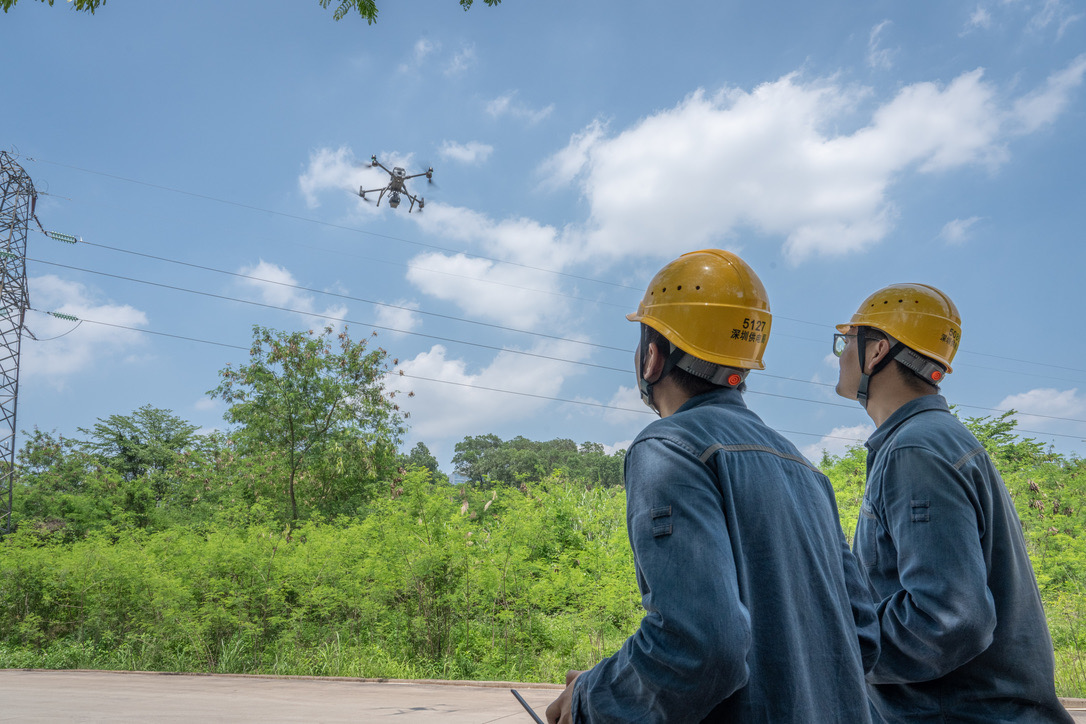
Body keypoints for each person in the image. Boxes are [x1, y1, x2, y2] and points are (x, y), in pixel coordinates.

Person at [547, 249, 879, 724]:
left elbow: (700, 645)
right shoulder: (806, 470)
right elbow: (862, 635)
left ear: (652, 356)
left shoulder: (668, 447)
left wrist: (589, 697)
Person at [833, 283, 1072, 723]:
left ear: (877, 351)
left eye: (847, 341)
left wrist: (842, 646)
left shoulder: (915, 452)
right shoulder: (930, 441)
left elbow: (948, 617)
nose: (841, 353)